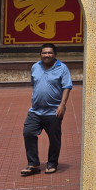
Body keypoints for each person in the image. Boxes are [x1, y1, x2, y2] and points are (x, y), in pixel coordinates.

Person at [21, 43, 73, 176]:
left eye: (50, 53)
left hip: (53, 111)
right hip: (35, 111)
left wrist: (62, 105)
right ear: (40, 55)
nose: (47, 55)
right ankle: (33, 164)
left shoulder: (62, 68)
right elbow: (34, 84)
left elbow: (67, 87)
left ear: (55, 54)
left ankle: (52, 163)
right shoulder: (35, 67)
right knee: (28, 132)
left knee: (54, 139)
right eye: (44, 53)